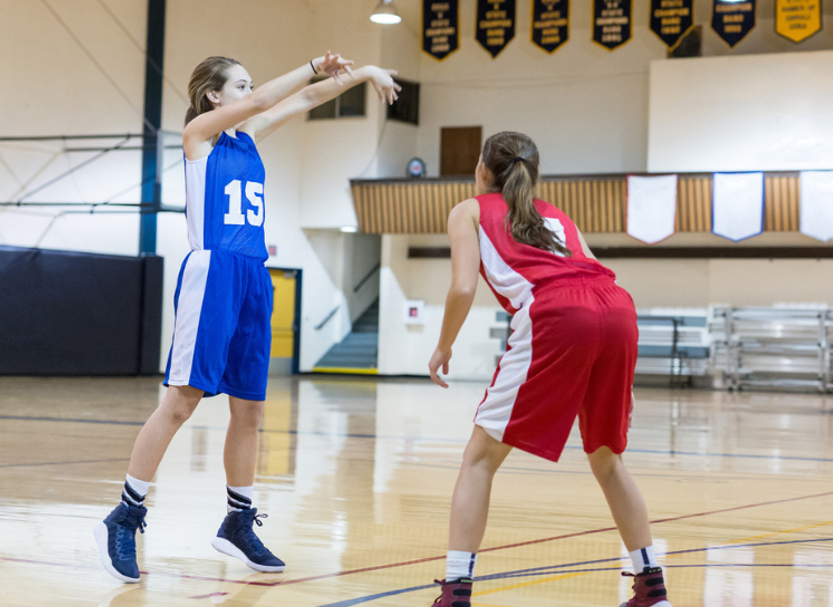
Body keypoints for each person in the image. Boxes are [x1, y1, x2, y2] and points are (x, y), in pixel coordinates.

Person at [95, 52, 401, 583]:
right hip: (212, 272)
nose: (252, 90)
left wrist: (366, 73)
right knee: (180, 403)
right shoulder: (199, 136)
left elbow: (306, 98)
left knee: (251, 410)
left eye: (250, 83)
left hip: (254, 273)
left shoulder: (249, 138)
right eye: (240, 84)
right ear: (215, 96)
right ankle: (126, 512)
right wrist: (309, 63)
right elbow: (271, 97)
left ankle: (237, 521)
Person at [425, 131, 672, 607]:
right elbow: (595, 273)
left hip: (558, 313)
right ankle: (651, 588)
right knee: (607, 458)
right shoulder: (557, 215)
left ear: (482, 169)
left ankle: (455, 593)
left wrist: (443, 346)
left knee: (479, 458)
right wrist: (618, 375)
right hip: (617, 310)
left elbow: (461, 289)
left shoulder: (469, 209)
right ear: (533, 173)